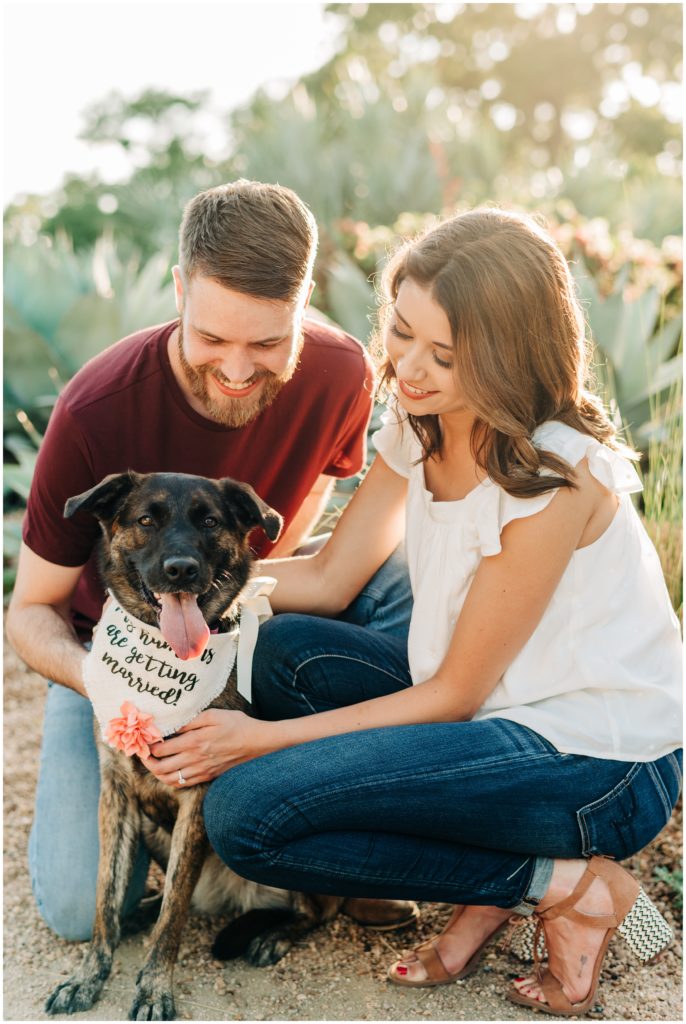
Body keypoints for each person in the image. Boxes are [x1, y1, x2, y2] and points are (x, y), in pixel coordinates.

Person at [142, 208, 682, 1017]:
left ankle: (559, 882)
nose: (411, 368)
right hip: (491, 709)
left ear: (507, 354)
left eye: (446, 354)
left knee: (246, 814)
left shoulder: (557, 474)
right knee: (281, 651)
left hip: (598, 761)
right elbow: (327, 578)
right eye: (400, 332)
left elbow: (454, 696)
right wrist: (177, 593)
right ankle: (499, 860)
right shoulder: (418, 420)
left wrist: (258, 742)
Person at [6, 179, 414, 941]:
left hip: (233, 624)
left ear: (304, 306)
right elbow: (29, 610)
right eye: (212, 338)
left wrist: (238, 621)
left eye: (267, 343)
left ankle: (361, 844)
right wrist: (106, 680)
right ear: (179, 289)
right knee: (75, 909)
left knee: (406, 570)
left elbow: (304, 509)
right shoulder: (95, 409)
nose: (236, 369)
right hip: (111, 649)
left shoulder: (338, 373)